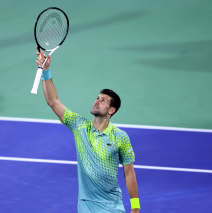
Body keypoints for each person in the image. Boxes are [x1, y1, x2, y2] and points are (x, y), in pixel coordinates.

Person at [36, 50, 140, 213]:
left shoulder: (120, 137)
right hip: (86, 206)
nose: (97, 101)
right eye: (97, 97)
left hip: (111, 207)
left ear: (111, 110)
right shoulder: (79, 126)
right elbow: (53, 101)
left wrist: (135, 208)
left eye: (103, 100)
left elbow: (129, 172)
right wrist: (46, 70)